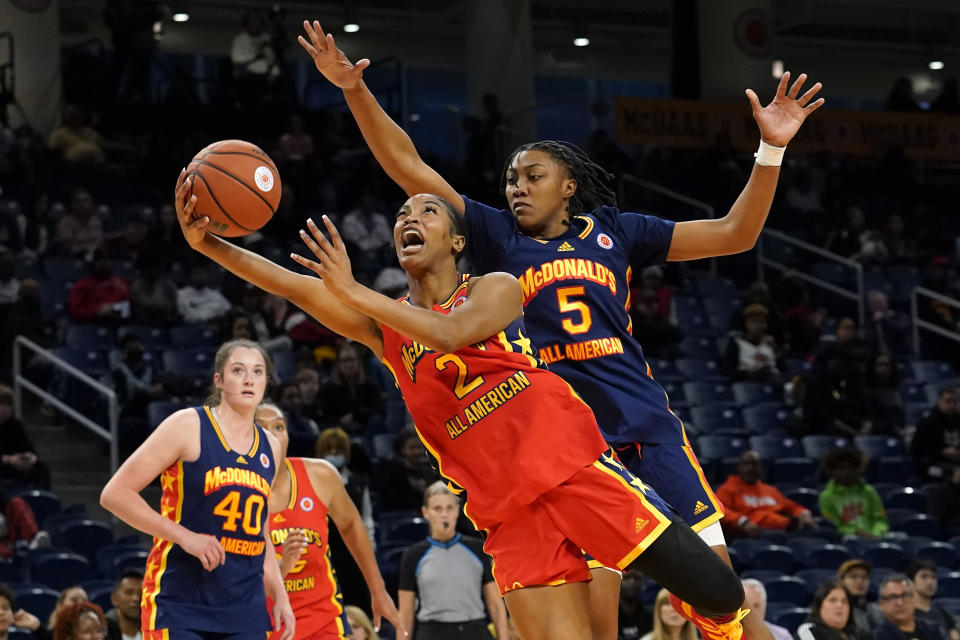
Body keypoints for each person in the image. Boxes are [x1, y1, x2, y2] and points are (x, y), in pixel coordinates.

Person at [297, 20, 823, 640]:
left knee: (718, 603)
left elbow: (736, 233)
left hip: (645, 429)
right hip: (569, 453)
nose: (516, 187)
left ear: (569, 186)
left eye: (532, 176)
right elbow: (408, 165)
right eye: (511, 180)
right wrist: (356, 91)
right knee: (595, 628)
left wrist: (771, 150)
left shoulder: (618, 231)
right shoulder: (497, 237)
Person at [173, 172, 748, 640]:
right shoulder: (386, 329)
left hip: (574, 472)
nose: (407, 220)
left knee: (723, 596)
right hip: (508, 515)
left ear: (456, 241)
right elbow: (292, 286)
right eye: (401, 217)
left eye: (426, 212)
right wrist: (211, 244)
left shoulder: (495, 287)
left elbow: (452, 335)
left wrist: (354, 293)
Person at [99, 338, 296, 640]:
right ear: (219, 380)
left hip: (246, 607)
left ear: (267, 382)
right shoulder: (188, 425)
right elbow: (115, 494)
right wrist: (185, 537)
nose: (248, 379)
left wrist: (279, 593)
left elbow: (261, 531)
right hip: (181, 601)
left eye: (258, 372)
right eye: (238, 370)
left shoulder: (270, 445)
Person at [257, 403, 401, 638]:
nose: (271, 435)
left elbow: (352, 525)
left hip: (322, 620)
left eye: (279, 427)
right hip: (262, 624)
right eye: (260, 427)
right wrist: (283, 568)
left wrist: (378, 590)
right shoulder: (229, 492)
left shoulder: (319, 476)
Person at [397, 482, 508, 640]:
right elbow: (405, 614)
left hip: (474, 631)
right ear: (425, 512)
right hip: (432, 632)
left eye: (449, 508)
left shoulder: (478, 549)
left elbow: (496, 605)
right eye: (437, 509)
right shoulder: (413, 556)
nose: (444, 514)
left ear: (457, 511)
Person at [716, 451, 817, 538]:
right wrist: (743, 521)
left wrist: (804, 514)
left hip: (783, 532)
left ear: (761, 468)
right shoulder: (727, 489)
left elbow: (791, 506)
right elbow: (720, 511)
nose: (750, 468)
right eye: (746, 464)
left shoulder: (770, 490)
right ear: (739, 467)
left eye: (755, 464)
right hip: (751, 535)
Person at [818, 448, 889, 539]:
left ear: (857, 469)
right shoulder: (826, 496)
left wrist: (876, 534)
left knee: (900, 537)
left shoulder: (868, 491)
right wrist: (855, 532)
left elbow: (880, 519)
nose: (846, 473)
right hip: (848, 539)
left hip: (876, 536)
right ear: (832, 471)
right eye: (841, 468)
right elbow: (834, 526)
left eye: (850, 468)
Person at [0, 384, 51, 489]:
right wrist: (8, 459)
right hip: (4, 463)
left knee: (41, 469)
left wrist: (30, 457)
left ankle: (43, 500)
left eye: (8, 404)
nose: (4, 408)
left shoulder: (15, 425)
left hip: (14, 464)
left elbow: (28, 448)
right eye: (1, 403)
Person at [377, 429, 437, 513]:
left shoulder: (430, 472)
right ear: (403, 450)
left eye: (419, 447)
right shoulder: (392, 474)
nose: (416, 452)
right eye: (412, 448)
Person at [875, 574, 946, 640]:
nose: (900, 603)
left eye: (905, 595)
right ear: (882, 603)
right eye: (893, 597)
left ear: (914, 599)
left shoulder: (932, 630)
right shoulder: (877, 636)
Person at [722, 304, 781, 383]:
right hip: (750, 382)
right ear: (746, 324)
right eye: (754, 322)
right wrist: (749, 372)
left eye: (762, 322)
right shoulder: (736, 344)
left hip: (774, 380)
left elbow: (781, 369)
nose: (759, 326)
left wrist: (775, 350)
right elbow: (729, 372)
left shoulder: (769, 343)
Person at [911, 388, 960, 482]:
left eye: (955, 402)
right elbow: (917, 452)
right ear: (939, 401)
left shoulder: (958, 422)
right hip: (932, 466)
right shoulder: (927, 423)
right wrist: (942, 452)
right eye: (948, 401)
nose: (952, 405)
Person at [905, 559, 959, 640]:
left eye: (933, 577)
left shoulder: (944, 614)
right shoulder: (903, 614)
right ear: (911, 582)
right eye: (924, 576)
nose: (930, 582)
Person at [797, 581, 870, 640]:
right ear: (819, 606)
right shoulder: (808, 630)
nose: (840, 605)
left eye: (844, 601)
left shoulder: (859, 634)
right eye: (832, 600)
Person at [837, 559, 882, 634]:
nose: (860, 581)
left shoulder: (877, 608)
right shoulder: (837, 610)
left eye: (864, 577)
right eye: (853, 577)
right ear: (842, 581)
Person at [105, 569, 142, 640]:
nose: (136, 598)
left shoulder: (153, 629)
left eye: (141, 594)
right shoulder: (102, 633)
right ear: (114, 599)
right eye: (129, 592)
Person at [618, 570, 653, 640]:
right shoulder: (608, 614)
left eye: (637, 578)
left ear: (643, 582)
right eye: (626, 577)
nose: (632, 582)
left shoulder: (650, 615)